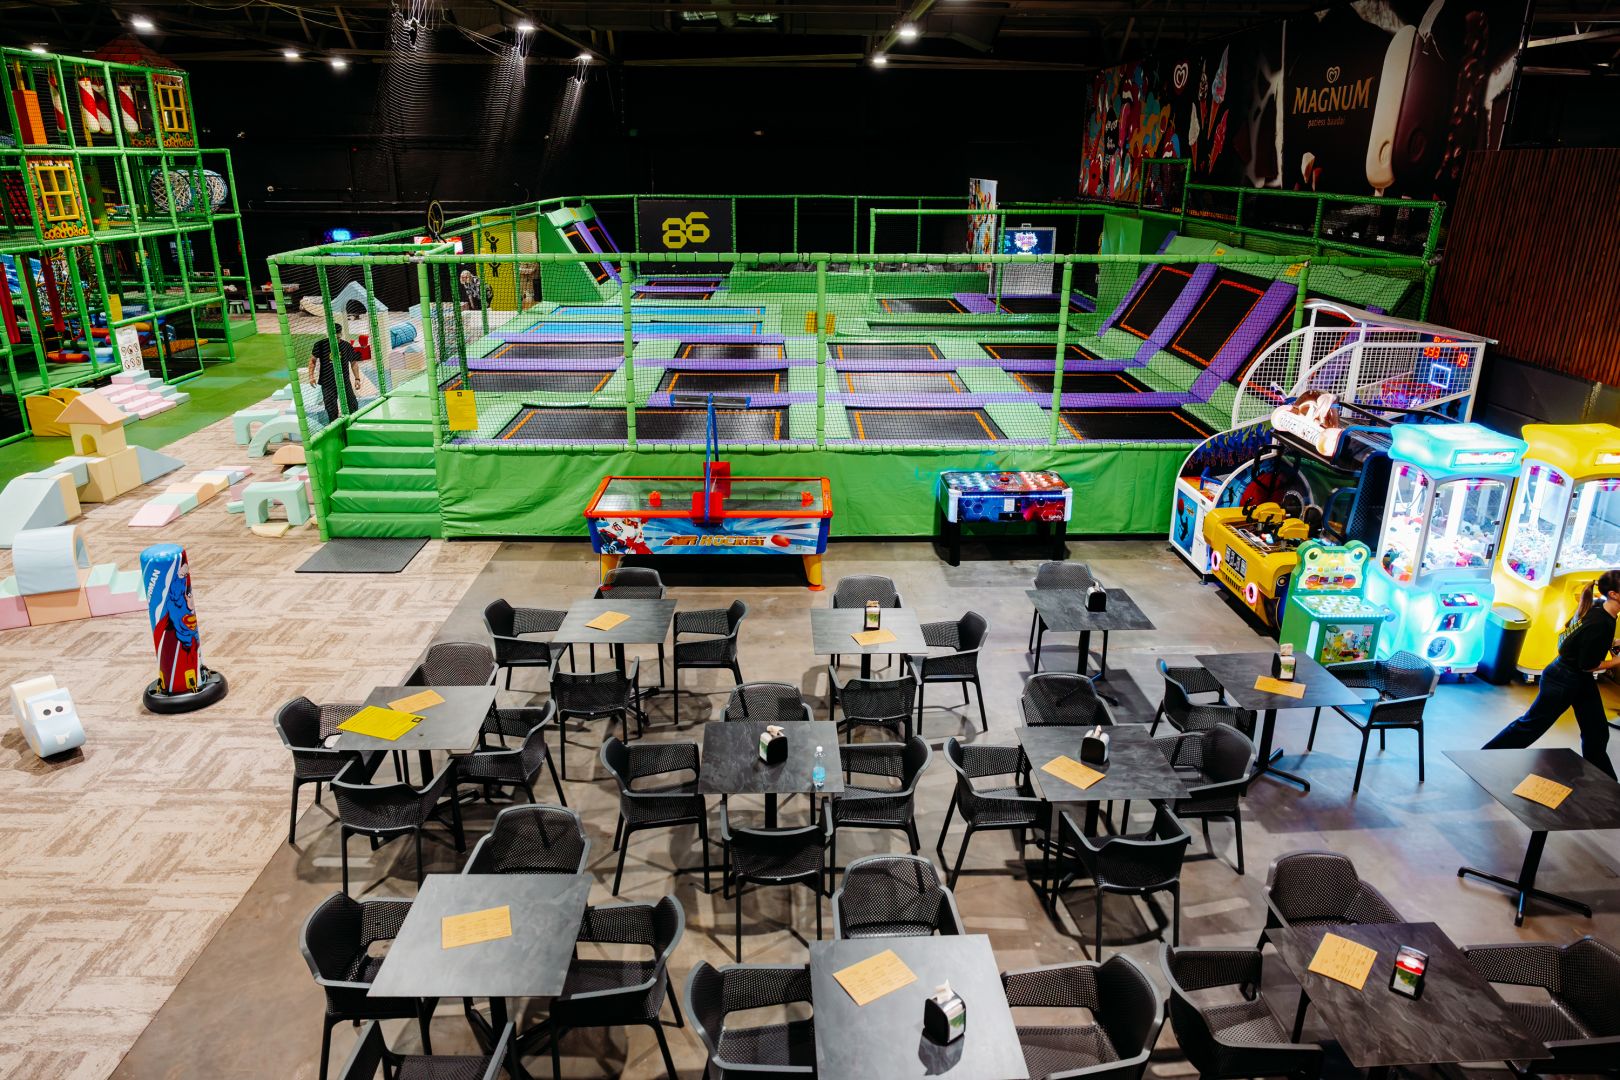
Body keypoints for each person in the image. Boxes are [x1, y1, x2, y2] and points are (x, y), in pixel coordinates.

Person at [1483, 569, 1620, 778]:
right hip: (1564, 680)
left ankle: (1607, 782)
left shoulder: (1599, 608)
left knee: (1596, 732)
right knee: (1530, 727)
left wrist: (1612, 643)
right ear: (1614, 594)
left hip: (1576, 679)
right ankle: (1485, 756)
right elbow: (1588, 664)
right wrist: (1616, 661)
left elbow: (1578, 638)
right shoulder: (1600, 623)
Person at [306, 320, 360, 421]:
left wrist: (357, 379)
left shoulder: (346, 346)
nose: (336, 340)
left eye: (338, 338)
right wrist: (311, 376)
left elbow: (354, 363)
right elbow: (312, 361)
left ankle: (354, 422)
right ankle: (334, 424)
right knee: (330, 408)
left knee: (352, 404)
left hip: (344, 380)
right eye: (334, 338)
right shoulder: (320, 345)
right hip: (327, 381)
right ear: (329, 335)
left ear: (341, 334)